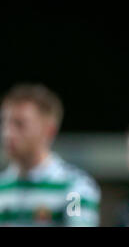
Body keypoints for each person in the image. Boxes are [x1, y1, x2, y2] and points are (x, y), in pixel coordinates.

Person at [0, 83, 101, 226]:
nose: (7, 133)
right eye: (4, 122)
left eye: (19, 124)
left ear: (49, 130)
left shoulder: (76, 188)